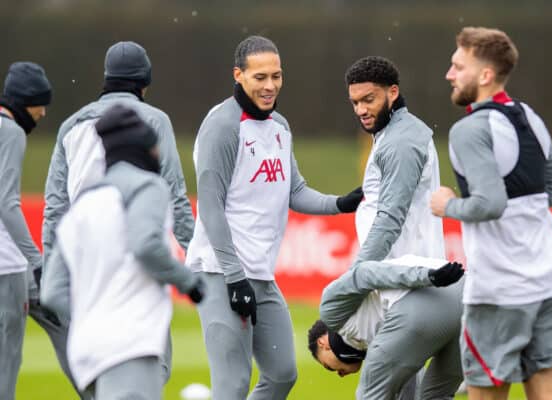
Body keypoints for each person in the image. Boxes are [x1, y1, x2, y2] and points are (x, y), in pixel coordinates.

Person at [185, 35, 363, 400]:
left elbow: (294, 191)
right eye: (260, 77)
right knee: (232, 383)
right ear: (238, 75)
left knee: (282, 374)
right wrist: (234, 277)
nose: (270, 86)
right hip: (221, 273)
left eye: (277, 76)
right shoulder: (221, 126)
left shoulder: (280, 126)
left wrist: (342, 203)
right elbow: (210, 206)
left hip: (261, 275)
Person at [430, 26, 552, 400]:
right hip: (550, 278)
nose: (449, 74)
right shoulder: (529, 115)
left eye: (457, 66)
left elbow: (490, 204)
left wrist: (446, 205)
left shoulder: (469, 130)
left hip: (499, 289)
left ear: (485, 75)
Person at [40, 40, 194, 393]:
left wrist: (51, 268)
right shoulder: (155, 121)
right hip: (138, 266)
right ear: (145, 82)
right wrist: (198, 262)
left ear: (106, 78)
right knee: (151, 369)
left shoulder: (70, 126)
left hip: (85, 268)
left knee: (98, 376)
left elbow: (55, 208)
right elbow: (175, 195)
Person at [344, 55, 446, 399]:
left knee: (377, 392)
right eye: (355, 102)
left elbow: (389, 220)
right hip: (407, 284)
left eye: (368, 99)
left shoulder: (401, 140)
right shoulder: (393, 133)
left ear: (393, 92)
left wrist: (356, 277)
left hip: (408, 289)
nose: (360, 109)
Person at [308, 255, 465, 400]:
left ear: (323, 342)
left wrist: (427, 276)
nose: (340, 374)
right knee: (435, 396)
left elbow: (363, 273)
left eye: (329, 367)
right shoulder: (381, 337)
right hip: (467, 297)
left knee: (369, 395)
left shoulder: (332, 313)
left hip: (425, 295)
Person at [0, 61, 52, 400]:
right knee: (6, 362)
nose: (43, 112)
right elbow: (6, 202)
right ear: (24, 101)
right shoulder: (11, 131)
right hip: (6, 266)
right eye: (39, 103)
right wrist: (36, 260)